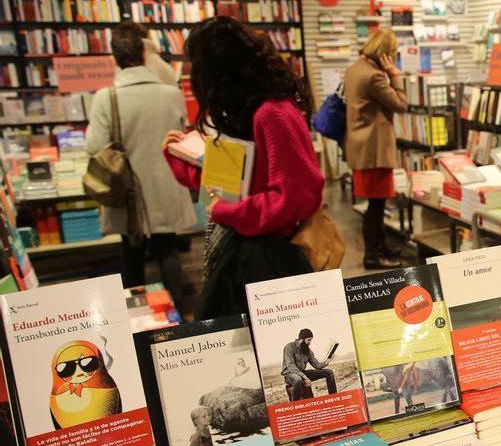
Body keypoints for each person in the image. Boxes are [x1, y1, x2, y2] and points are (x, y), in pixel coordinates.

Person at [163, 16, 324, 320]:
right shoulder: (245, 112)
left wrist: (224, 210)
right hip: (246, 253)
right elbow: (227, 186)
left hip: (269, 262)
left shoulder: (272, 114)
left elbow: (293, 200)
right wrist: (180, 156)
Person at [85, 21, 195, 303]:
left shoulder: (105, 98)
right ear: (145, 55)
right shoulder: (171, 94)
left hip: (127, 191)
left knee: (131, 254)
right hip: (166, 184)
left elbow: (95, 146)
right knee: (168, 251)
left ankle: (136, 315)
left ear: (114, 59)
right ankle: (179, 315)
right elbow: (181, 137)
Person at [343, 29, 408, 269]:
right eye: (392, 54)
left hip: (360, 146)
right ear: (385, 54)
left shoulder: (354, 69)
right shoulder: (375, 77)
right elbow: (401, 104)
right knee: (376, 206)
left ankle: (381, 248)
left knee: (375, 203)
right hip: (374, 150)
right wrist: (395, 75)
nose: (393, 58)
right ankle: (373, 255)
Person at [280, 328, 337, 401]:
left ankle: (334, 398)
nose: (310, 342)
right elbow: (291, 366)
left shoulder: (307, 350)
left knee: (329, 372)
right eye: (309, 340)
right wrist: (305, 378)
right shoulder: (289, 347)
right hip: (289, 374)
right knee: (298, 380)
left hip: (301, 372)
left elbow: (317, 365)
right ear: (302, 339)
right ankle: (294, 404)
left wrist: (327, 361)